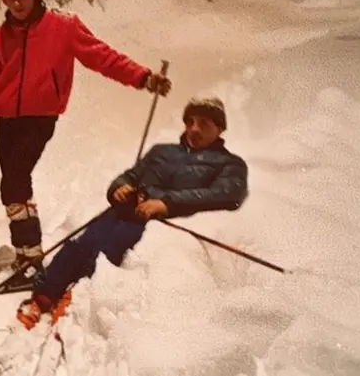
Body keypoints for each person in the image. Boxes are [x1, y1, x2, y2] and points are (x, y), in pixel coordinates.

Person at [0, 0, 173, 286]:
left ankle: (30, 261)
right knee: (14, 187)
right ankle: (27, 254)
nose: (17, 4)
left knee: (15, 181)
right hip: (6, 120)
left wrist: (143, 77)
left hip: (40, 118)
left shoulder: (63, 27)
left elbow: (103, 56)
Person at [15, 96, 249, 329]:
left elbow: (226, 194)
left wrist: (166, 204)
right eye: (190, 122)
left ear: (219, 129)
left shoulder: (229, 164)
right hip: (127, 209)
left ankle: (77, 293)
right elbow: (131, 176)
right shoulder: (161, 152)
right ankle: (43, 296)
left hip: (156, 222)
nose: (194, 129)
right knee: (80, 243)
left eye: (204, 124)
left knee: (108, 249)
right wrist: (119, 188)